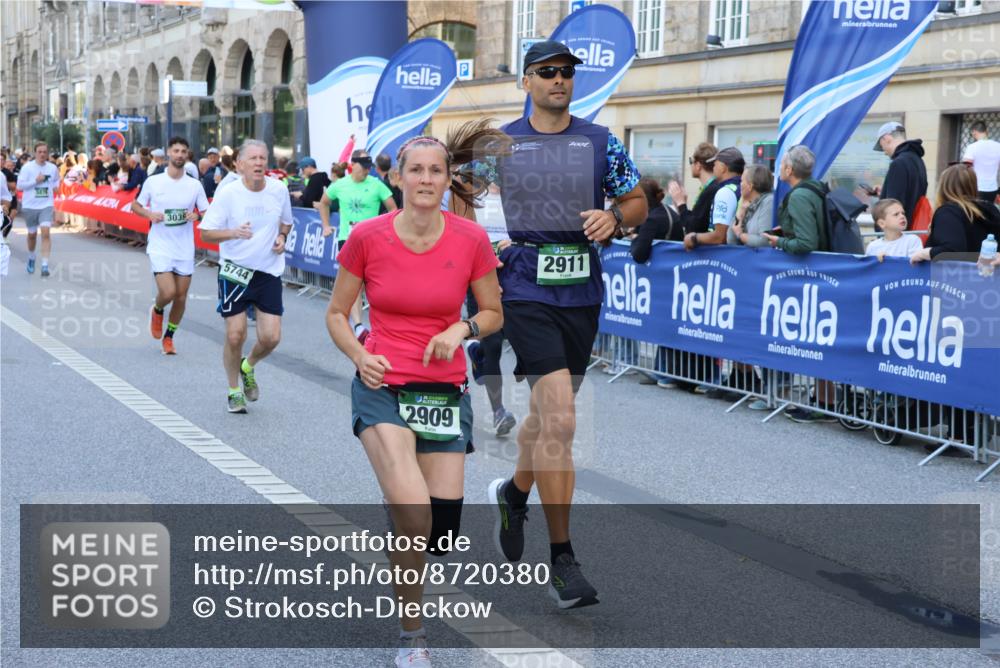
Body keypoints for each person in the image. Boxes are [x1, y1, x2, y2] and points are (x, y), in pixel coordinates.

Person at [325, 130, 502, 668]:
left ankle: (407, 521)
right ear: (397, 178)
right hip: (384, 385)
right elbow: (337, 313)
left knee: (439, 535)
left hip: (445, 391)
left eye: (436, 171)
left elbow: (495, 313)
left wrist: (464, 329)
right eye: (416, 170)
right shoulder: (368, 238)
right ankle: (413, 635)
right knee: (413, 510)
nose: (426, 179)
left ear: (448, 180)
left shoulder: (470, 239)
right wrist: (360, 355)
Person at [487, 40, 646, 610]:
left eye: (568, 73)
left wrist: (615, 217)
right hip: (525, 285)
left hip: (581, 289)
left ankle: (514, 491)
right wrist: (487, 248)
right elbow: (466, 204)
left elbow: (635, 201)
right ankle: (563, 561)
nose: (560, 80)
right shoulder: (499, 144)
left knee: (545, 419)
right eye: (548, 72)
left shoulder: (598, 141)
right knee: (560, 417)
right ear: (526, 81)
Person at [199, 140, 293, 413]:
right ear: (239, 164)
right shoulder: (228, 194)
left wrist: (282, 236)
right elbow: (206, 232)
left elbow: (286, 221)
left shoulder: (278, 190)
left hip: (267, 271)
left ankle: (247, 365)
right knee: (235, 335)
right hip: (235, 271)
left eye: (263, 158)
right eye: (252, 158)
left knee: (271, 338)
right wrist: (233, 233)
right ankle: (233, 390)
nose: (259, 163)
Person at [763, 145, 836, 423]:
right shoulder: (816, 190)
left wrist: (778, 241)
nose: (779, 168)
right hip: (820, 275)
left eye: (782, 164)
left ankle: (825, 403)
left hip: (812, 278)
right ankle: (823, 401)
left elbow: (807, 243)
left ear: (790, 170)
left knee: (815, 340)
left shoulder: (800, 196)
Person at [131, 136, 210, 355]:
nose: (180, 155)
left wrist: (196, 215)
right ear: (168, 153)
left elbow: (205, 212)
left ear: (188, 155)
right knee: (168, 292)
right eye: (176, 151)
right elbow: (135, 205)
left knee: (181, 297)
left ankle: (169, 336)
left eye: (183, 151)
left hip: (184, 247)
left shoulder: (194, 184)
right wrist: (149, 213)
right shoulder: (154, 181)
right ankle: (157, 309)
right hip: (160, 245)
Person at [318, 149, 397, 341]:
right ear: (354, 166)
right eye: (365, 167)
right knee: (355, 284)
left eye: (370, 167)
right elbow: (324, 203)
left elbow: (393, 209)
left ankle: (378, 326)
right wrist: (326, 226)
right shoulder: (340, 185)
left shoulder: (377, 185)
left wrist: (388, 231)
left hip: (373, 240)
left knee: (373, 282)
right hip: (348, 239)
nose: (368, 171)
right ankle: (359, 326)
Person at [910, 164, 1000, 264]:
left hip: (953, 277)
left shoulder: (948, 212)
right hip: (988, 276)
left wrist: (924, 253)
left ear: (943, 187)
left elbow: (952, 250)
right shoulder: (990, 210)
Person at [683, 147, 743, 251]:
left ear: (723, 168)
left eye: (715, 164)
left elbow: (719, 237)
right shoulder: (742, 187)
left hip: (722, 256)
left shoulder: (725, 192)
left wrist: (694, 237)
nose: (713, 167)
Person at [16, 142, 60, 276]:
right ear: (35, 153)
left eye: (44, 152)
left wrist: (56, 187)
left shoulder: (52, 168)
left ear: (47, 154)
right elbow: (20, 186)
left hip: (46, 205)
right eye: (39, 152)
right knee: (32, 235)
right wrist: (36, 181)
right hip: (30, 206)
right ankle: (31, 257)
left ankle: (45, 265)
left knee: (46, 233)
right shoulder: (27, 168)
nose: (42, 154)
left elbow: (56, 181)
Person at [874, 122, 927, 227]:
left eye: (881, 145)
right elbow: (911, 193)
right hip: (913, 228)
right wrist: (884, 192)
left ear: (887, 138)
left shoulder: (898, 163)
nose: (884, 152)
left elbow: (893, 206)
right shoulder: (917, 160)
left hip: (897, 234)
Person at [669, 142, 720, 234]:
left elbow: (693, 228)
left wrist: (681, 203)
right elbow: (696, 220)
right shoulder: (711, 187)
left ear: (698, 165)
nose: (690, 165)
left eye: (691, 161)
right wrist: (680, 205)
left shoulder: (711, 190)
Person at [729, 163, 775, 247]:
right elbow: (731, 241)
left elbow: (765, 241)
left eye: (742, 181)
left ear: (750, 186)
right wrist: (740, 212)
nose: (740, 184)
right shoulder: (748, 204)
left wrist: (740, 235)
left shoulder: (769, 202)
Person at [962, 121, 1000, 203]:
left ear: (974, 131)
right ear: (986, 131)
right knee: (988, 213)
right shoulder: (998, 146)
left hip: (975, 188)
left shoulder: (972, 147)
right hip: (992, 189)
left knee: (975, 213)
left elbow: (966, 168)